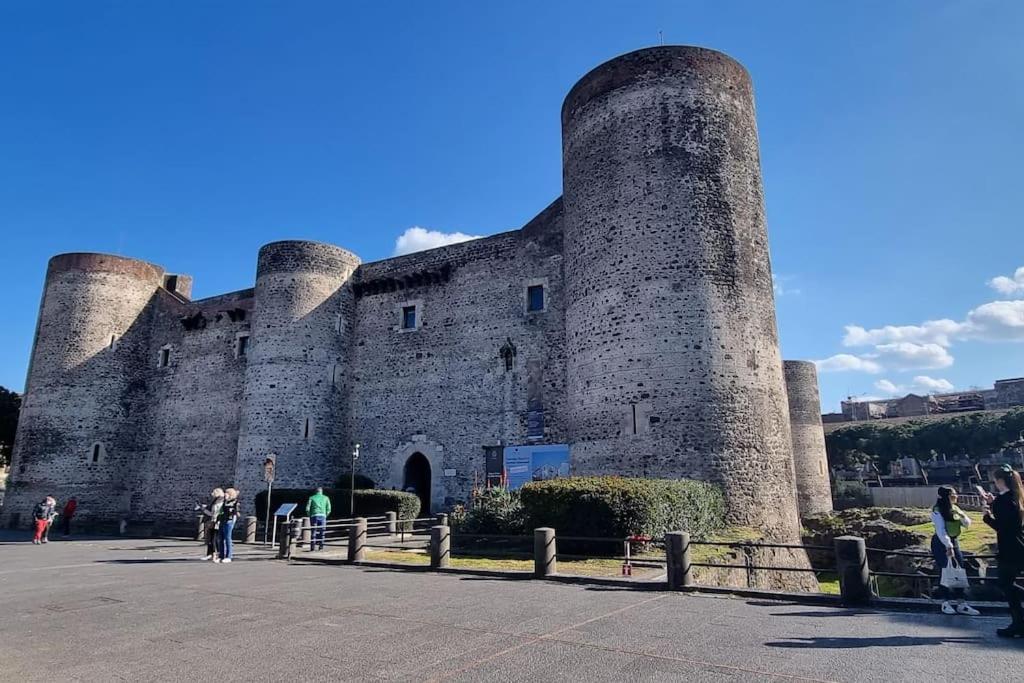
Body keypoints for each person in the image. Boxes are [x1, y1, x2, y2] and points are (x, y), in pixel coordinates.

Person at [982, 465, 1024, 638]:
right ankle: (1018, 623)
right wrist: (993, 503)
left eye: (995, 481)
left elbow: (1001, 527)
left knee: (1005, 584)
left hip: (1008, 549)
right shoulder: (1016, 497)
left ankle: (1018, 623)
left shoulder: (1002, 501)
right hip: (1019, 544)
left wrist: (987, 517)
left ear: (1000, 481)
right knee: (1007, 583)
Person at [930, 486, 979, 615]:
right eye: (953, 494)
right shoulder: (937, 511)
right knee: (946, 570)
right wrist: (948, 545)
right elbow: (940, 530)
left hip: (954, 540)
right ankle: (945, 602)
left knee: (959, 569)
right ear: (946, 496)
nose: (956, 496)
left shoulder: (955, 509)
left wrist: (962, 516)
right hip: (941, 543)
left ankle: (961, 602)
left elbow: (967, 523)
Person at [198, 487, 224, 561]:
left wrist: (217, 519)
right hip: (212, 521)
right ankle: (210, 554)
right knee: (210, 539)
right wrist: (203, 509)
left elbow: (218, 513)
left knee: (215, 539)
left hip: (217, 522)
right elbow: (212, 513)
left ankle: (217, 554)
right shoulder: (215, 501)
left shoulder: (221, 502)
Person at [218, 487, 240, 563]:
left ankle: (228, 556)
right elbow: (221, 511)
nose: (225, 494)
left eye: (227, 493)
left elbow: (235, 512)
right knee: (221, 539)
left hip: (229, 521)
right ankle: (221, 555)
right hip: (222, 520)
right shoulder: (224, 502)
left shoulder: (234, 502)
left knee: (228, 538)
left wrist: (233, 520)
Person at [306, 487, 331, 552]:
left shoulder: (311, 498)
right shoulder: (326, 498)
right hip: (323, 516)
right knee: (322, 531)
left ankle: (312, 547)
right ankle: (321, 546)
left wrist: (310, 515)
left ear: (316, 492)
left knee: (313, 531)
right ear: (321, 492)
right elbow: (329, 509)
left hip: (314, 516)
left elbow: (307, 509)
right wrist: (326, 515)